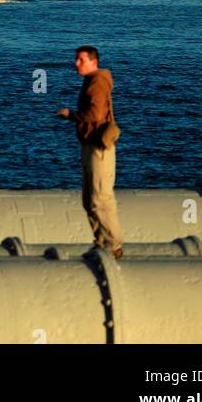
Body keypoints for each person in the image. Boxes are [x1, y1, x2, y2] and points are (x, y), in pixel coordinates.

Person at [57, 45, 123, 259]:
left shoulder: (96, 83)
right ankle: (101, 241)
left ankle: (113, 245)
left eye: (80, 60)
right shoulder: (92, 81)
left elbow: (94, 113)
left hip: (98, 148)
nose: (76, 64)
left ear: (93, 62)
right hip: (89, 145)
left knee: (100, 199)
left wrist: (71, 115)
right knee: (89, 200)